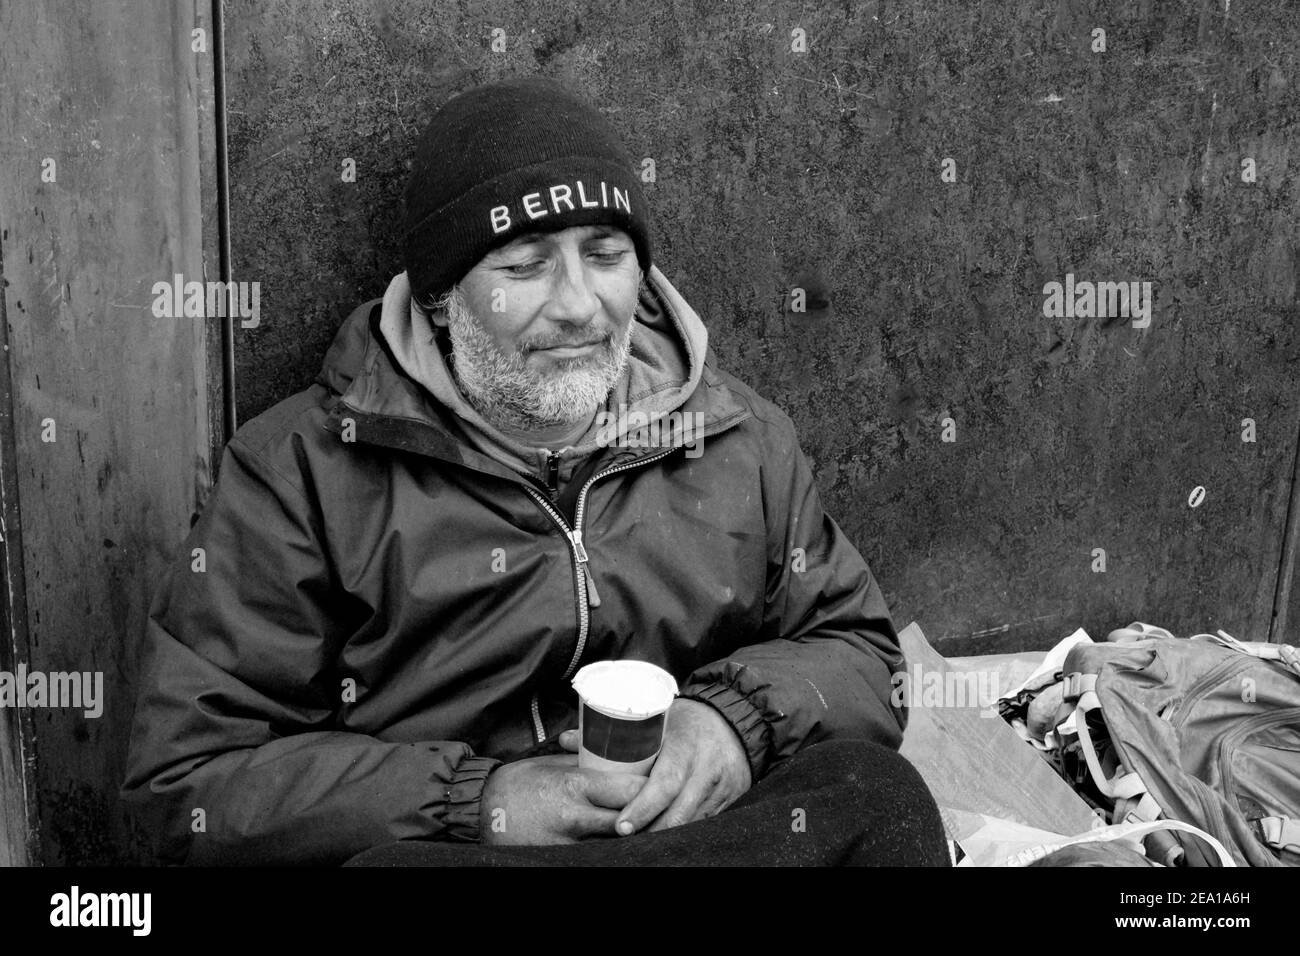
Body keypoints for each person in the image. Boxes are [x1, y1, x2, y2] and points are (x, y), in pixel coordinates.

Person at [121, 75, 948, 866]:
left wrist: (734, 722)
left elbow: (861, 650)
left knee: (875, 796)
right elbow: (189, 780)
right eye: (524, 267)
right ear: (444, 298)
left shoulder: (738, 437)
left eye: (606, 255)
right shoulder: (298, 473)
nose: (580, 304)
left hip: (694, 837)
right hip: (468, 858)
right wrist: (475, 801)